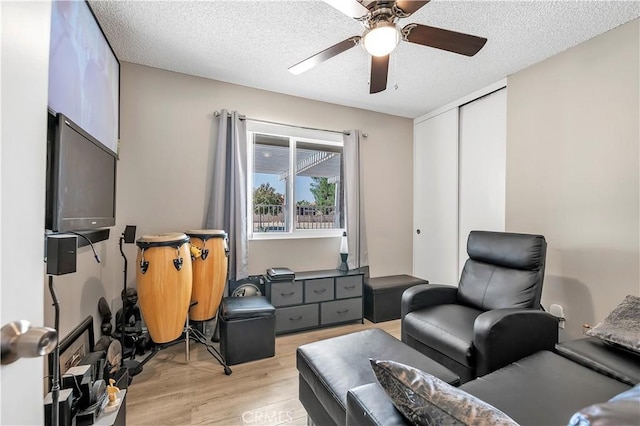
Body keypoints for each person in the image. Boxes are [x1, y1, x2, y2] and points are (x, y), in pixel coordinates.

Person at [114, 288, 151, 357]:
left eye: (135, 295)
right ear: (124, 298)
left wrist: (138, 327)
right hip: (124, 332)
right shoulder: (121, 312)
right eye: (131, 296)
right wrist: (134, 329)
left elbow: (138, 320)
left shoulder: (135, 308)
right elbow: (119, 327)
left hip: (132, 329)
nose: (134, 298)